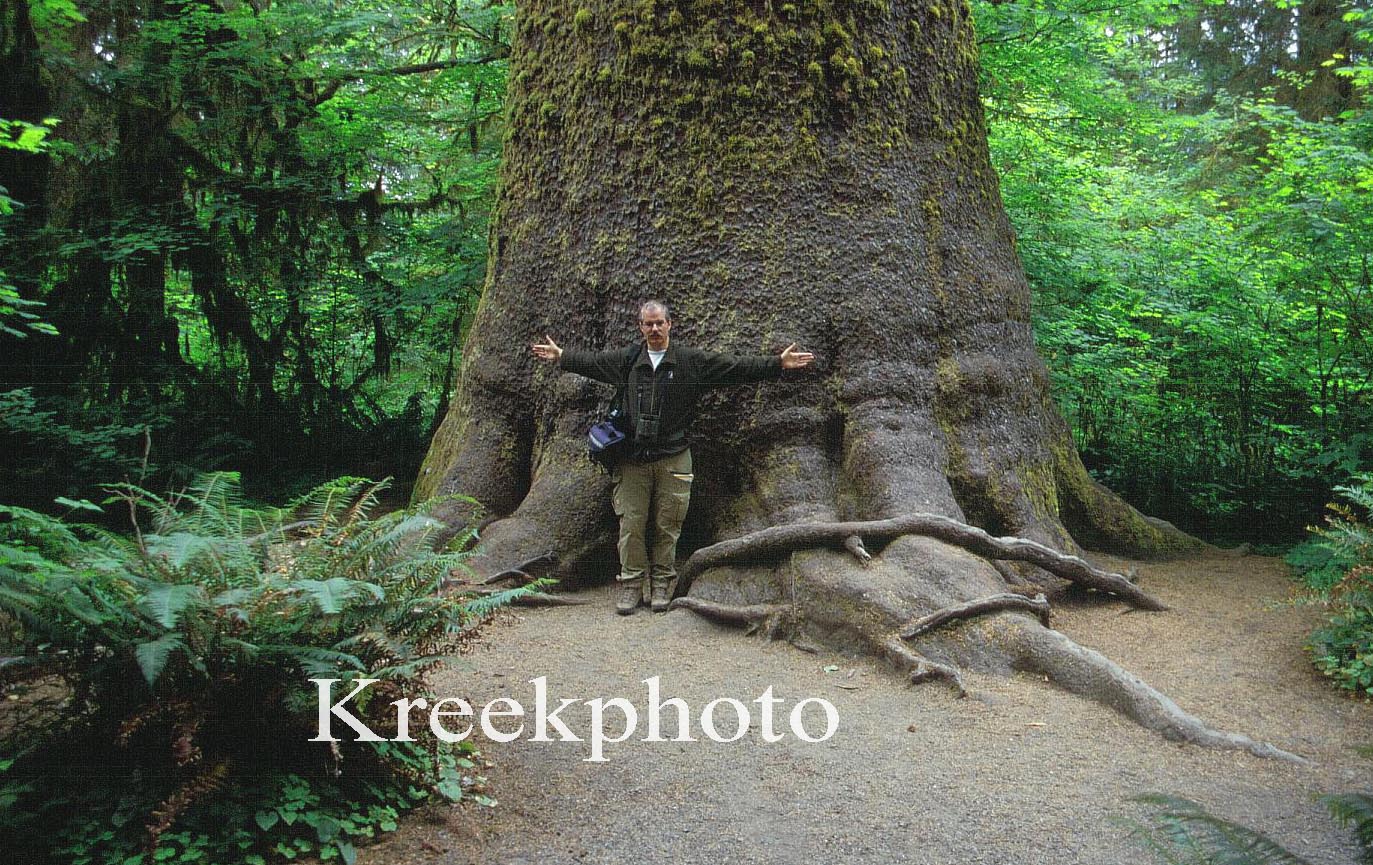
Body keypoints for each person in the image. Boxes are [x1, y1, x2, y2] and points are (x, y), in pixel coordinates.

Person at [532, 301, 815, 614]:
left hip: (674, 456)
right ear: (641, 327)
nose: (654, 329)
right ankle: (631, 584)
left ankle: (662, 582)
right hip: (633, 458)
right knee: (631, 524)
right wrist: (562, 356)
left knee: (668, 524)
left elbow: (734, 367)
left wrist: (777, 363)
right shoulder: (628, 360)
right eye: (648, 324)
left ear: (669, 324)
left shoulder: (690, 362)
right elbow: (593, 363)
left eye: (659, 323)